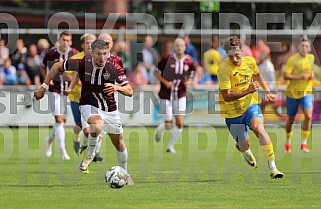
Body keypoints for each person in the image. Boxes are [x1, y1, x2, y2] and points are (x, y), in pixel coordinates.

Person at [34, 40, 134, 185]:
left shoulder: (114, 67)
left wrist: (117, 87)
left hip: (109, 108)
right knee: (97, 126)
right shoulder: (82, 63)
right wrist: (43, 86)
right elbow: (57, 66)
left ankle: (125, 174)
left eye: (105, 54)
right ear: (92, 53)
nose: (102, 57)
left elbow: (130, 91)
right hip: (88, 104)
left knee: (119, 143)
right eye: (98, 54)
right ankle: (90, 154)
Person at [217, 36, 283, 179]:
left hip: (250, 105)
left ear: (242, 51)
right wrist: (248, 90)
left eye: (237, 55)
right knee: (244, 144)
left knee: (260, 129)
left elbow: (257, 75)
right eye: (230, 56)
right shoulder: (223, 69)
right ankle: (243, 147)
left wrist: (267, 91)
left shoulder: (250, 62)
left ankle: (273, 168)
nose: (234, 59)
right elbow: (227, 96)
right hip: (232, 112)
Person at [40, 31, 78, 160]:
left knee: (62, 123)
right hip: (54, 90)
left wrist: (71, 79)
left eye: (68, 40)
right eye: (63, 40)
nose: (65, 42)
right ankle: (63, 152)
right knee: (59, 120)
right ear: (59, 40)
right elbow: (42, 66)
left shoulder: (74, 54)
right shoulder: (51, 54)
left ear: (71, 42)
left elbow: (79, 72)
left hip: (69, 92)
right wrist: (47, 78)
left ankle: (49, 141)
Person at [154, 37, 195, 154]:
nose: (179, 48)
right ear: (174, 47)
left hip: (180, 94)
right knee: (168, 125)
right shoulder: (167, 59)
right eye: (177, 45)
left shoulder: (188, 61)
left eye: (181, 45)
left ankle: (170, 146)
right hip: (166, 95)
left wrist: (190, 82)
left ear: (185, 47)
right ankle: (159, 130)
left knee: (180, 123)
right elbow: (155, 72)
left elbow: (192, 74)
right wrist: (165, 82)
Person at [63, 33, 98, 162]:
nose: (89, 45)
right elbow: (65, 76)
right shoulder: (75, 59)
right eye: (87, 42)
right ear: (83, 45)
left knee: (90, 128)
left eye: (92, 42)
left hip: (91, 99)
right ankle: (76, 137)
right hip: (76, 97)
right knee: (78, 125)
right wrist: (79, 82)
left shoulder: (99, 58)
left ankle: (92, 153)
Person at [283, 38, 315, 153]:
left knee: (309, 116)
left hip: (306, 92)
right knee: (291, 119)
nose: (304, 48)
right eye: (302, 45)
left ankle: (304, 143)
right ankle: (288, 142)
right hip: (292, 93)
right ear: (298, 47)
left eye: (306, 46)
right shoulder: (292, 60)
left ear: (310, 49)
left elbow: (310, 73)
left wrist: (311, 76)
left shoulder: (311, 58)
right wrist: (300, 77)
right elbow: (285, 75)